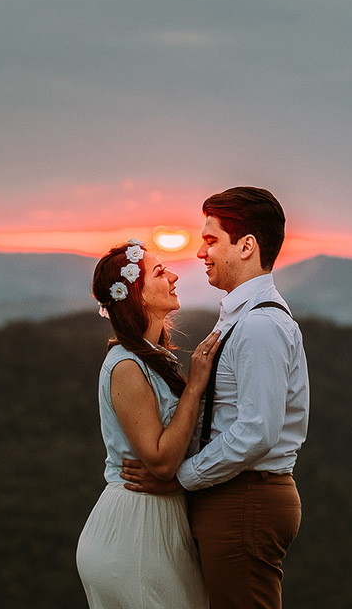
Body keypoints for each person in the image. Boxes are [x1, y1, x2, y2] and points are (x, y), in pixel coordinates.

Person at [122, 187, 309, 609]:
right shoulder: (240, 317)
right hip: (234, 495)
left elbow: (257, 431)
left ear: (246, 246)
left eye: (211, 240)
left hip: (245, 498)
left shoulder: (260, 326)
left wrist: (181, 476)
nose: (200, 252)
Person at [76, 240, 224, 609]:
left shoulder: (155, 360)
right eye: (159, 272)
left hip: (158, 519)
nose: (174, 276)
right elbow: (159, 461)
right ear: (136, 297)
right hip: (135, 528)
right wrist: (195, 386)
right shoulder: (126, 366)